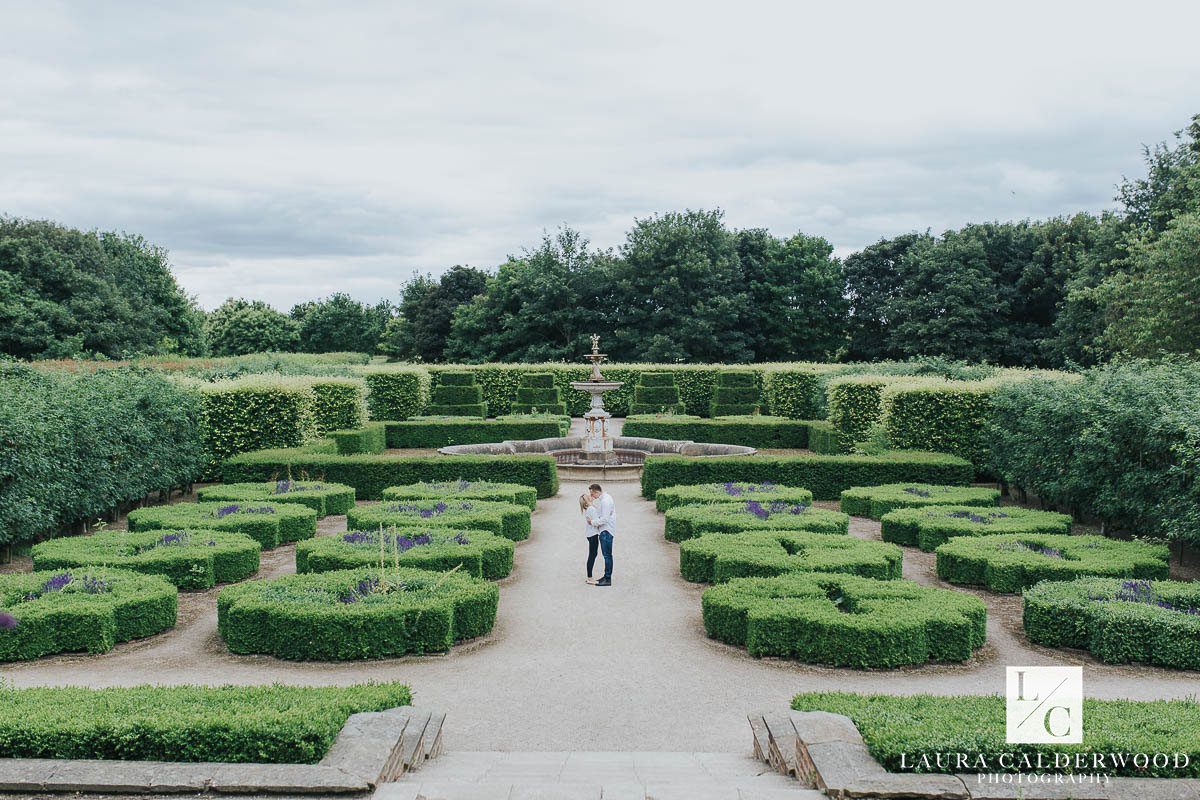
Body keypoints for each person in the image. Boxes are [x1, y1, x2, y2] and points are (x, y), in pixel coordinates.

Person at [588, 483, 615, 587]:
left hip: (606, 531)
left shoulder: (605, 501)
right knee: (607, 555)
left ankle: (608, 579)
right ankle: (606, 576)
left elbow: (605, 519)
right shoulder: (605, 499)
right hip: (605, 530)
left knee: (607, 555)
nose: (592, 496)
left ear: (596, 491)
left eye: (592, 493)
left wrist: (592, 522)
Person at [579, 493, 601, 584]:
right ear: (586, 501)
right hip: (593, 535)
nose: (590, 496)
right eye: (588, 497)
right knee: (592, 555)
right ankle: (589, 577)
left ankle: (589, 576)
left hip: (591, 534)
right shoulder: (591, 509)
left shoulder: (590, 508)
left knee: (593, 554)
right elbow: (597, 522)